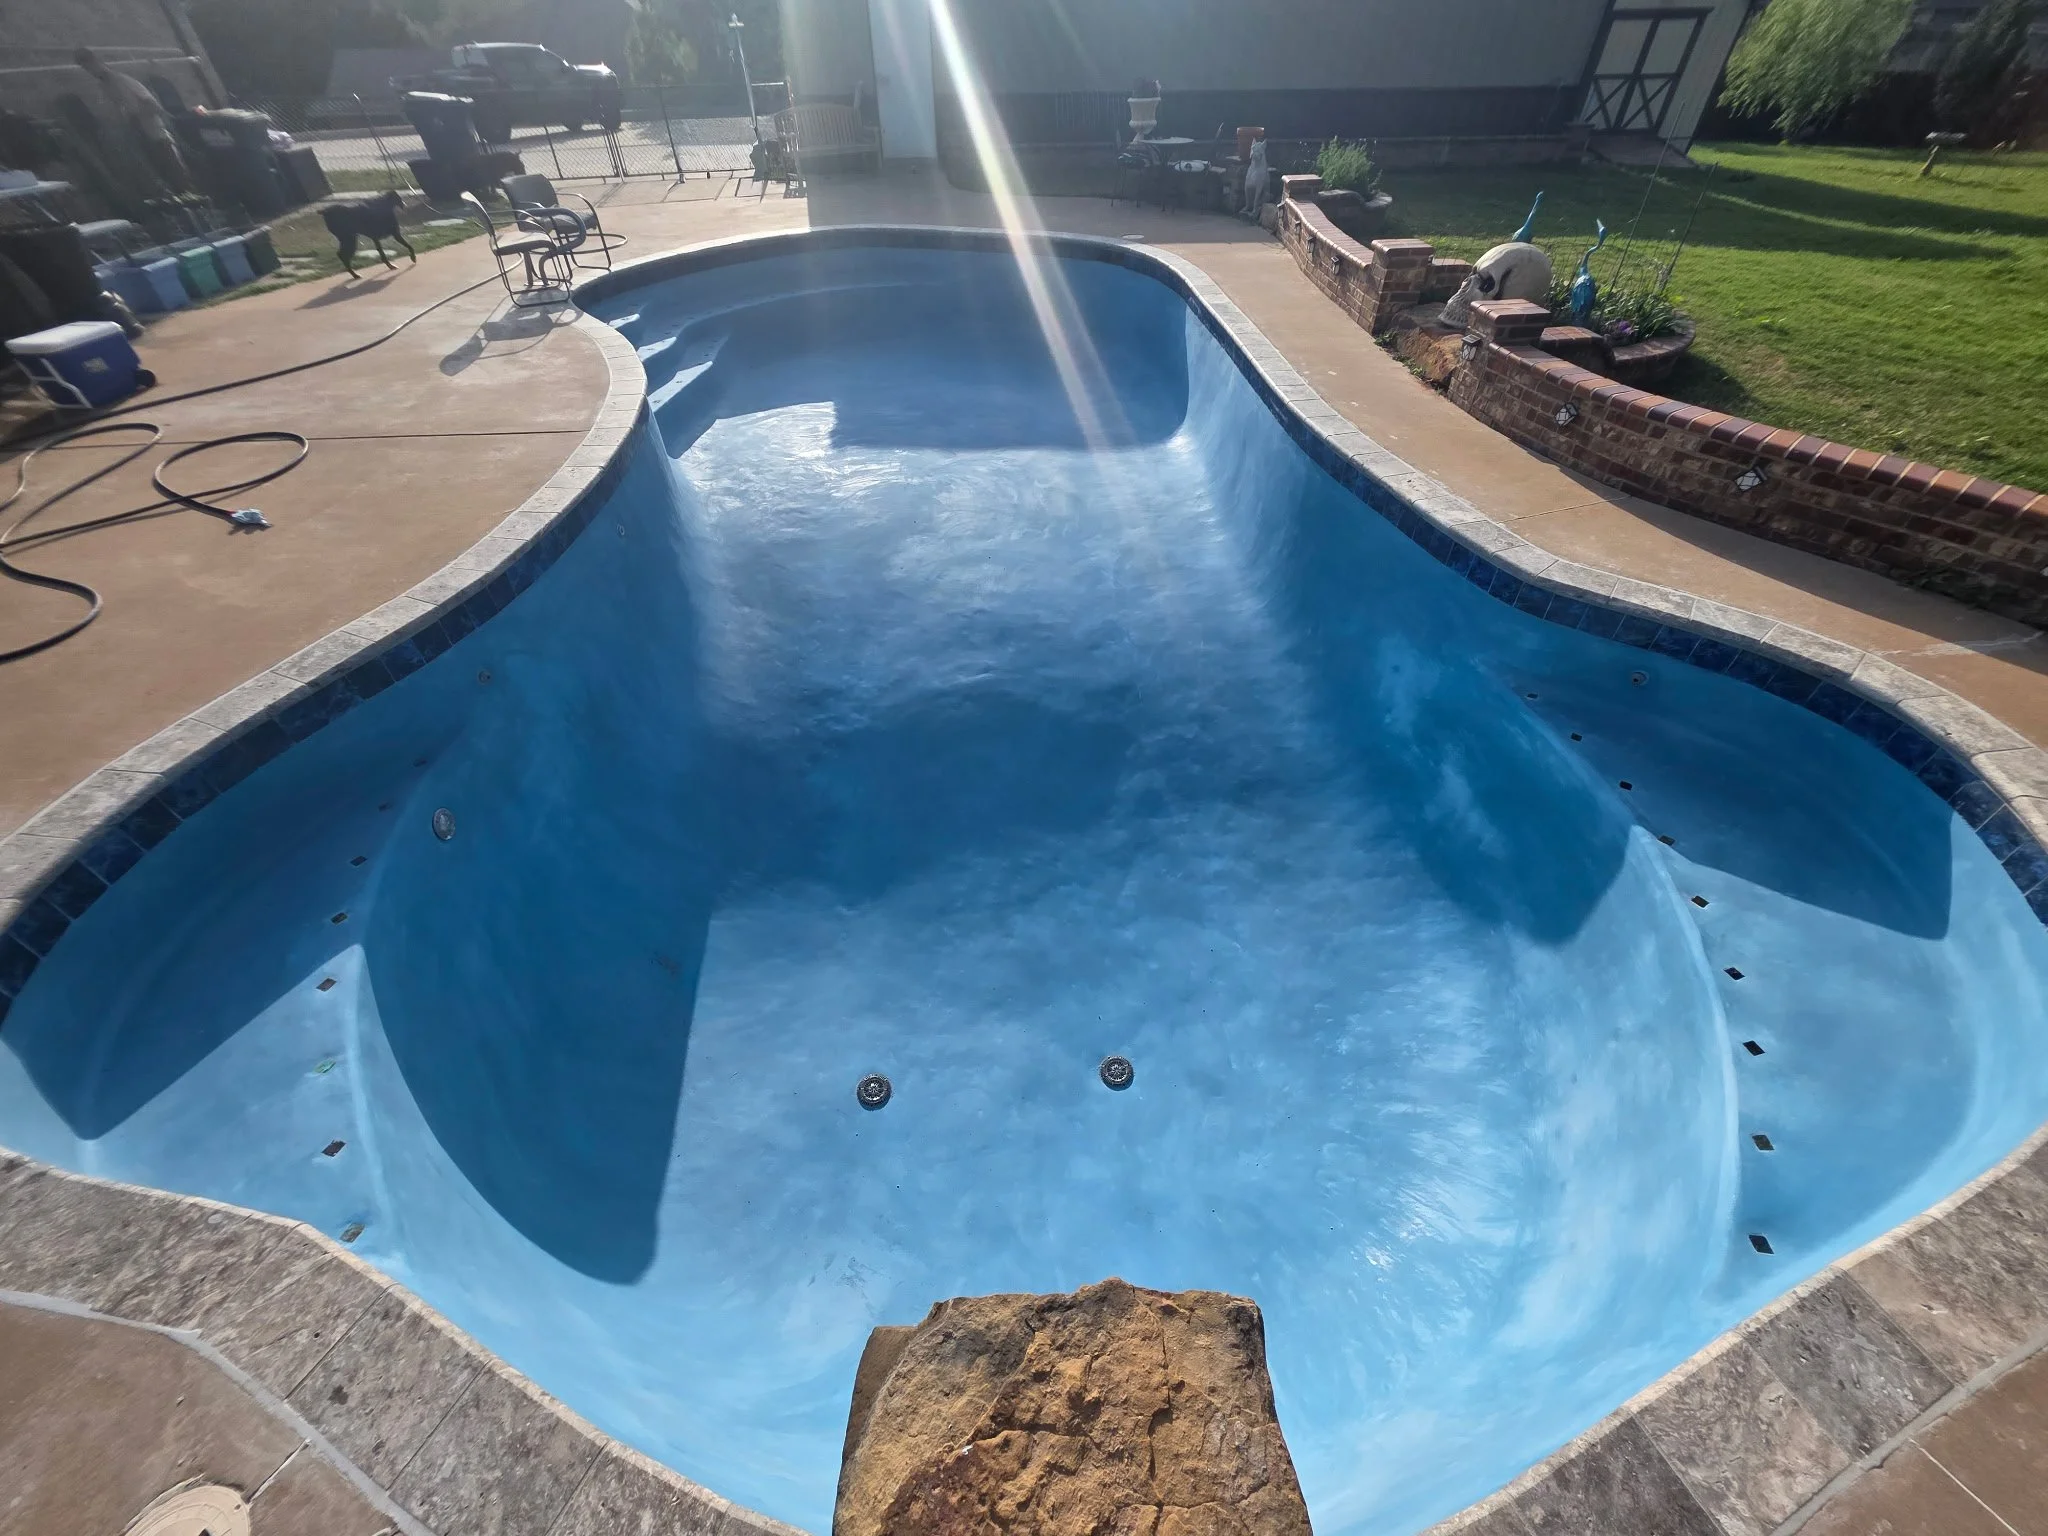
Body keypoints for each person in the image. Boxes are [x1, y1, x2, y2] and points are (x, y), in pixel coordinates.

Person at [73, 47, 190, 194]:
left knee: (175, 169)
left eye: (89, 65)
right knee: (160, 173)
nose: (90, 70)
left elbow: (152, 104)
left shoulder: (122, 80)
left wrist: (136, 116)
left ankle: (190, 195)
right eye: (86, 68)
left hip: (154, 132)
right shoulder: (104, 86)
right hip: (138, 135)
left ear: (96, 61)